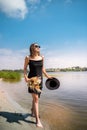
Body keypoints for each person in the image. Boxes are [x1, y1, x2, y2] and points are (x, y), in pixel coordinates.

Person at [24, 43, 52, 128]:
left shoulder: (42, 57)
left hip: (40, 80)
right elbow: (25, 69)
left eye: (39, 46)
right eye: (36, 46)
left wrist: (48, 76)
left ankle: (32, 111)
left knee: (36, 97)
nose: (38, 47)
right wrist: (25, 77)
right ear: (32, 48)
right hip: (32, 79)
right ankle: (37, 120)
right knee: (36, 99)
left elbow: (43, 69)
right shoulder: (28, 58)